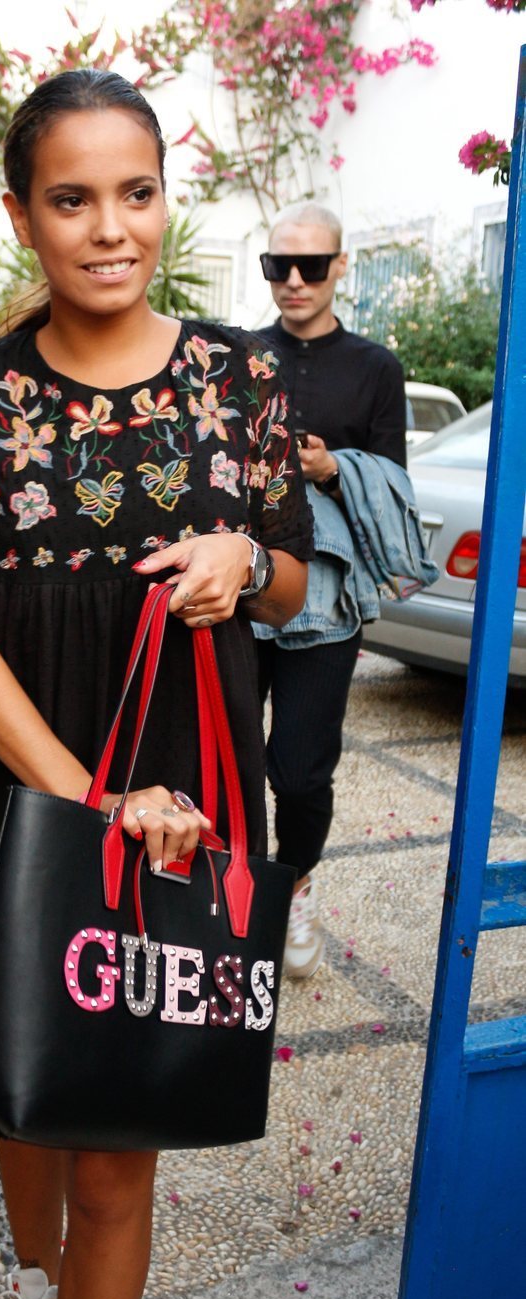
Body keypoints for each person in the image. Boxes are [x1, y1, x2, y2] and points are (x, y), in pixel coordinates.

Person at [0, 69, 313, 1299]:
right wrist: (89, 804)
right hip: (22, 792)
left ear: (162, 197)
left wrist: (244, 561)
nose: (108, 226)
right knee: (30, 1069)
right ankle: (31, 1281)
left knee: (119, 1134)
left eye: (133, 191)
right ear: (23, 216)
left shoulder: (239, 380)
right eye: (70, 198)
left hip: (184, 793)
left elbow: (296, 580)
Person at [254, 202, 408, 979]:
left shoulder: (376, 368)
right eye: (277, 265)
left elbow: (395, 483)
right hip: (240, 592)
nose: (292, 280)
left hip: (328, 596)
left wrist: (332, 468)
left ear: (340, 266)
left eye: (311, 266)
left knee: (303, 768)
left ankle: (295, 887)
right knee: (227, 751)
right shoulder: (237, 354)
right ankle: (234, 897)